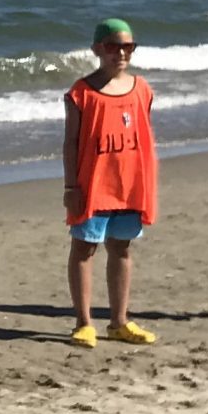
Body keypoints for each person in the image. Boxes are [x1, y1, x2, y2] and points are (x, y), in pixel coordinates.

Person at [64, 18, 158, 347]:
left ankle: (119, 321)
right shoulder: (81, 93)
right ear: (97, 49)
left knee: (121, 248)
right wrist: (71, 187)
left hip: (129, 185)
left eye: (127, 46)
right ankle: (83, 323)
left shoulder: (142, 88)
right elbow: (71, 143)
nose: (120, 53)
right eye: (112, 46)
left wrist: (146, 184)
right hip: (93, 185)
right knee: (84, 248)